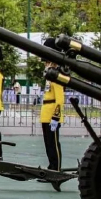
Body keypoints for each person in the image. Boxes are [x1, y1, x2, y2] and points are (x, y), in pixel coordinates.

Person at [40, 37, 65, 171]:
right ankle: (51, 166)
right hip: (46, 113)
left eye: (48, 61)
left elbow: (59, 99)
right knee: (48, 144)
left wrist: (56, 117)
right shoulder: (50, 75)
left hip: (52, 115)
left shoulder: (57, 75)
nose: (46, 64)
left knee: (53, 143)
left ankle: (56, 168)